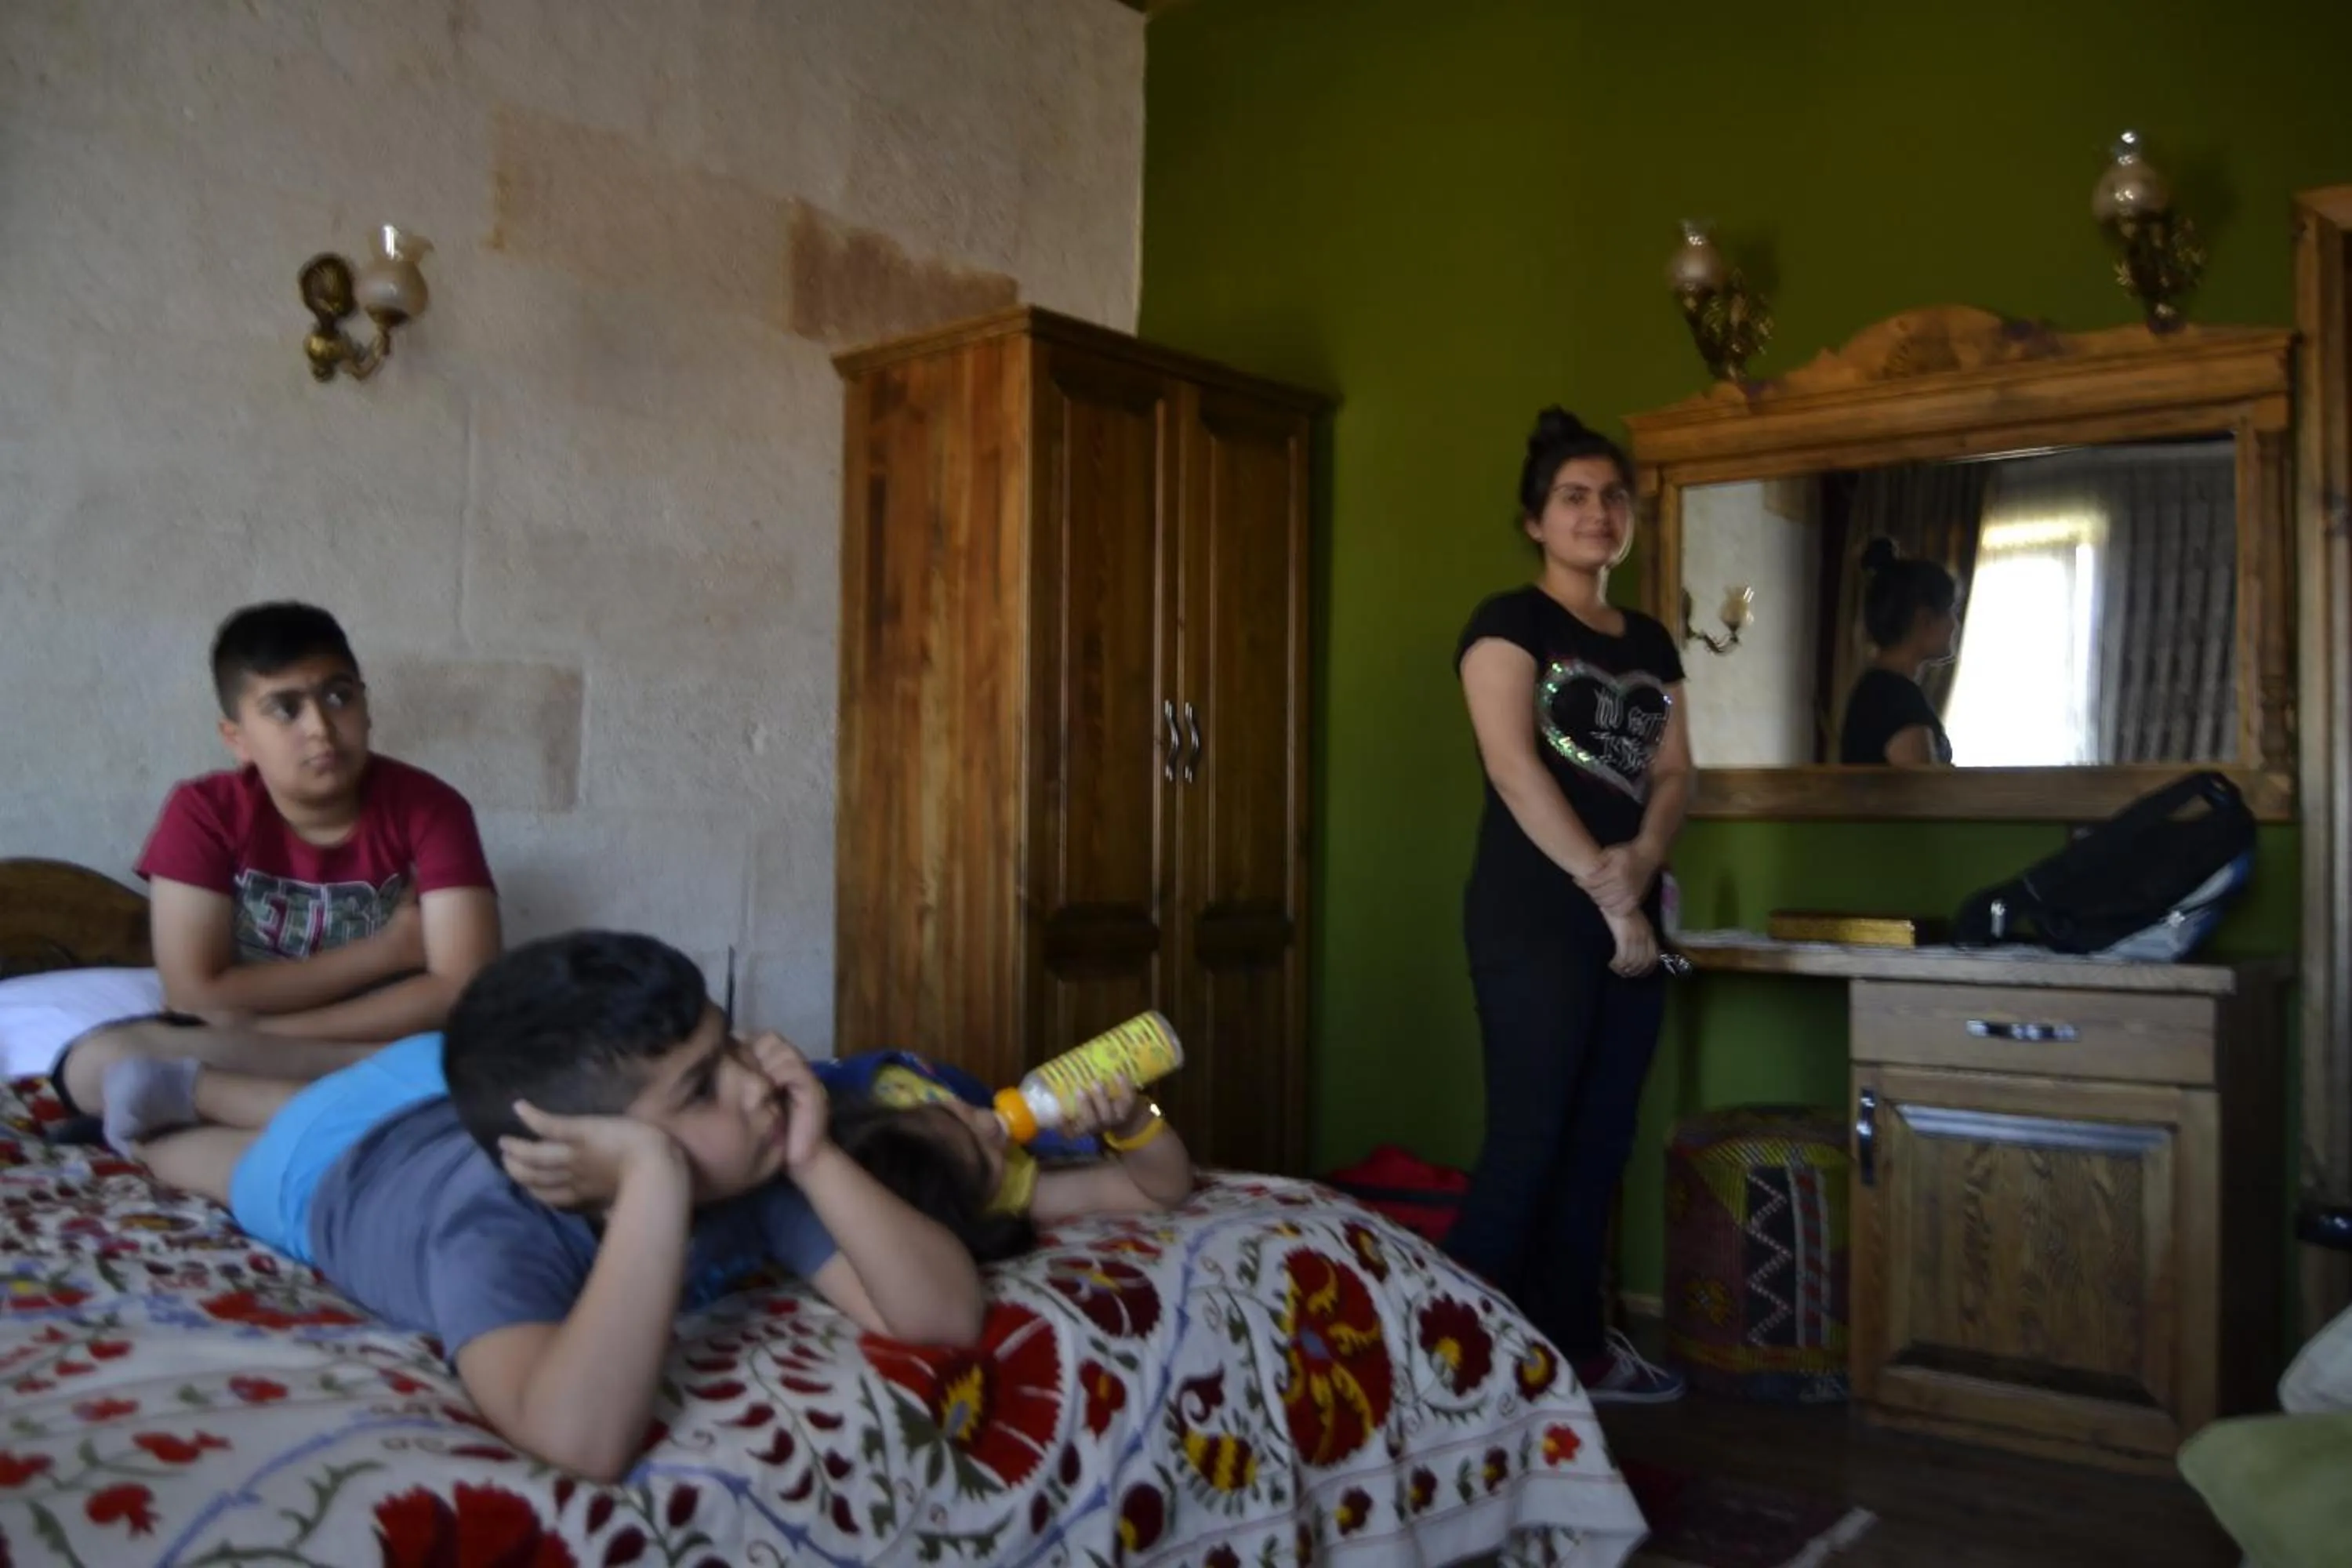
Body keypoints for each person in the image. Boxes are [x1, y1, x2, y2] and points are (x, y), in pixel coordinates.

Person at [102, 930, 985, 1482]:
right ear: (595, 1150)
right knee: (216, 1162)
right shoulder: (490, 1232)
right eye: (704, 1086)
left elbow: (943, 1312)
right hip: (333, 1173)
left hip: (432, 1093)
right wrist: (651, 1184)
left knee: (376, 1088)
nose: (757, 1086)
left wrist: (815, 1150)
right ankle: (174, 1101)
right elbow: (577, 1439)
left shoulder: (748, 1167)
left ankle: (204, 1083)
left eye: (734, 1050)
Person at [1443, 407, 1694, 1404]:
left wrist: (1643, 862)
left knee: (1601, 1142)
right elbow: (1514, 768)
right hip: (1533, 917)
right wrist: (1611, 890)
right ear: (1536, 521)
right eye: (1574, 498)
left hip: (1628, 906)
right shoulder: (1508, 623)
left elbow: (1674, 772)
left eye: (1612, 497)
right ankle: (1435, 1361)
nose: (1598, 513)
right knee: (1530, 1140)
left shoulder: (1652, 639)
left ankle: (1574, 1354)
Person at [54, 602, 502, 1123]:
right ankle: (354, 1115)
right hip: (260, 1058)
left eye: (339, 696)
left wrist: (262, 1030)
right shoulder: (205, 812)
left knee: (497, 1055)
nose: (321, 728)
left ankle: (273, 1115)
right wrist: (386, 953)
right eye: (285, 708)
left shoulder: (431, 809)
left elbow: (460, 989)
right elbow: (195, 994)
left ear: (365, 705)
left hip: (382, 1045)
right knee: (96, 1065)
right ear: (237, 738)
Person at [818, 1049, 1195, 1240]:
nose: (989, 1121)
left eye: (961, 1114)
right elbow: (1161, 1191)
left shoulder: (869, 1103)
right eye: (987, 1155)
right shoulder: (1002, 1192)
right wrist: (1135, 1122)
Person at [1837, 539, 1960, 766]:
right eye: (1949, 611)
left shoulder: (1882, 690)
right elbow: (1923, 797)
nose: (1954, 624)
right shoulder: (1895, 697)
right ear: (1924, 619)